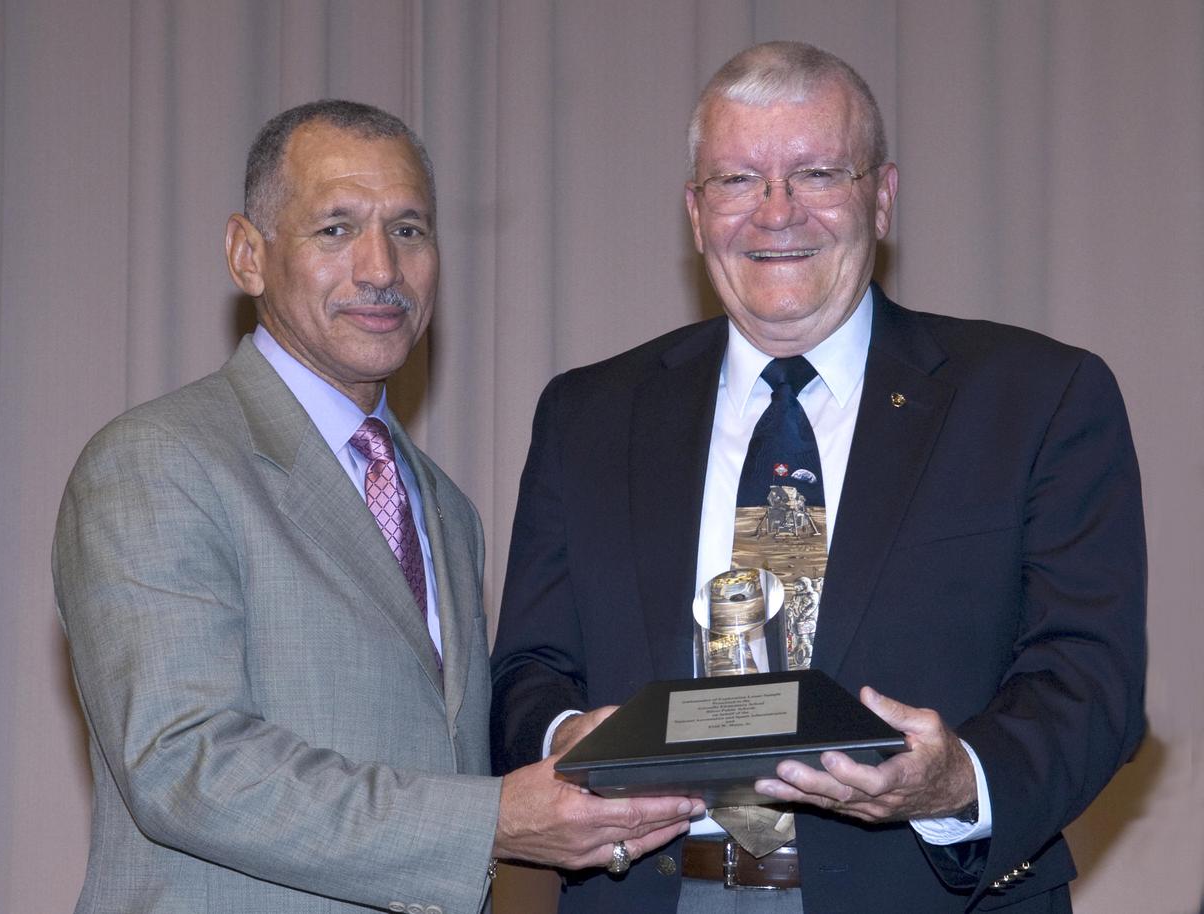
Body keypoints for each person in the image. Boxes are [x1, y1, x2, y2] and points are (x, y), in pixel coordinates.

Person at [489, 41, 1146, 914]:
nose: (776, 213)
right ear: (694, 212)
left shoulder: (1036, 398)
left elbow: (1091, 680)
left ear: (881, 196)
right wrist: (573, 739)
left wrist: (957, 783)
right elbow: (528, 672)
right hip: (649, 890)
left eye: (817, 173)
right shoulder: (588, 415)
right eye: (736, 181)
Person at [52, 99, 702, 914]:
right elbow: (184, 764)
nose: (381, 270)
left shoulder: (445, 508)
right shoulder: (158, 461)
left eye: (408, 230)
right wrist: (493, 820)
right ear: (246, 255)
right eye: (335, 229)